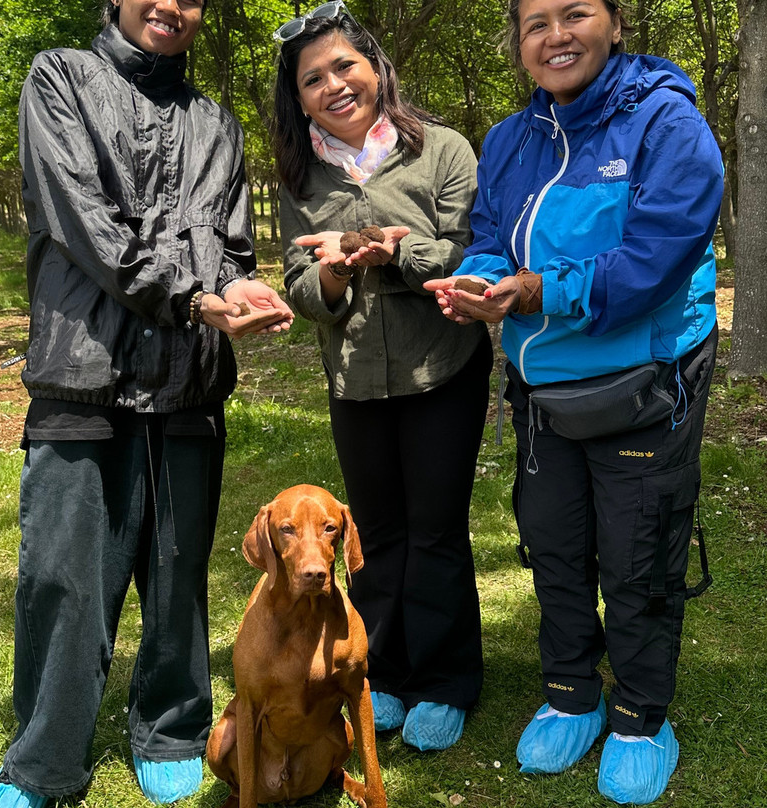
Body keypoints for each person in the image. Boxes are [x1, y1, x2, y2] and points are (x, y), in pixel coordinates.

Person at [0, 0, 293, 805]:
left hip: (188, 381)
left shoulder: (217, 123)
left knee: (177, 571)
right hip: (80, 371)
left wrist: (237, 289)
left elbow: (229, 245)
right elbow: (82, 222)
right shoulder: (60, 78)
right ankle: (44, 760)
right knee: (61, 576)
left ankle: (172, 725)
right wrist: (194, 298)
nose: (172, 6)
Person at [425, 0, 722, 802]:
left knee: (639, 556)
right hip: (542, 393)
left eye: (575, 13)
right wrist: (482, 278)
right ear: (519, 46)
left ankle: (640, 714)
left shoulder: (669, 125)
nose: (556, 35)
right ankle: (570, 694)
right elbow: (490, 233)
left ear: (616, 24)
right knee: (554, 547)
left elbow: (655, 259)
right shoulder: (509, 141)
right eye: (535, 24)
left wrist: (536, 293)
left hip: (644, 384)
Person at [272, 3, 493, 753]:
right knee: (377, 538)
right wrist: (333, 277)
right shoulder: (299, 176)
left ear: (376, 70)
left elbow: (467, 255)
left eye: (345, 66)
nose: (334, 85)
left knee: (435, 532)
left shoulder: (443, 151)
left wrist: (392, 252)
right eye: (313, 79)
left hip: (444, 372)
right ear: (297, 97)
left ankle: (448, 679)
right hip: (357, 384)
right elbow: (302, 287)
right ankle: (387, 671)